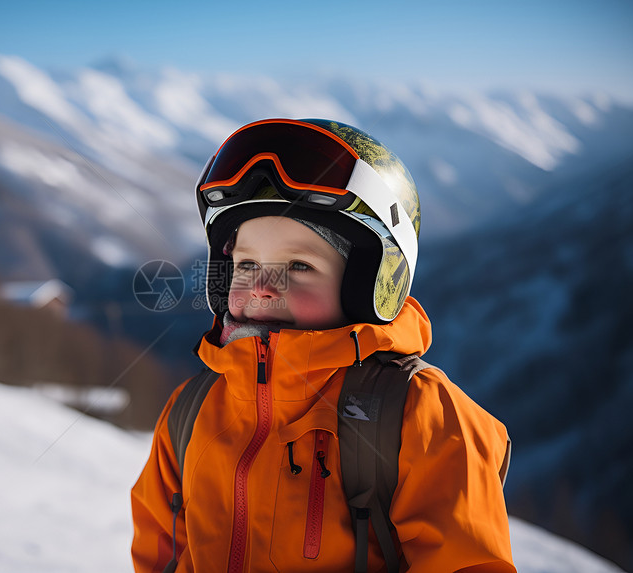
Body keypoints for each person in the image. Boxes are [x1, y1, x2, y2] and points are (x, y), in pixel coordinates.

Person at [131, 119, 515, 571]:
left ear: (370, 284)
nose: (263, 286)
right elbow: (160, 552)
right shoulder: (190, 411)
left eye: (299, 265)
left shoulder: (424, 417)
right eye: (248, 263)